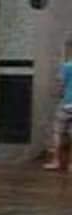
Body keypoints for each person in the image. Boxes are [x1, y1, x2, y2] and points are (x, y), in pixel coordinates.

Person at [44, 38, 72, 170]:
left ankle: (56, 161)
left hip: (66, 104)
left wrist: (58, 93)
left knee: (58, 133)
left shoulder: (66, 66)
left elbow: (60, 85)